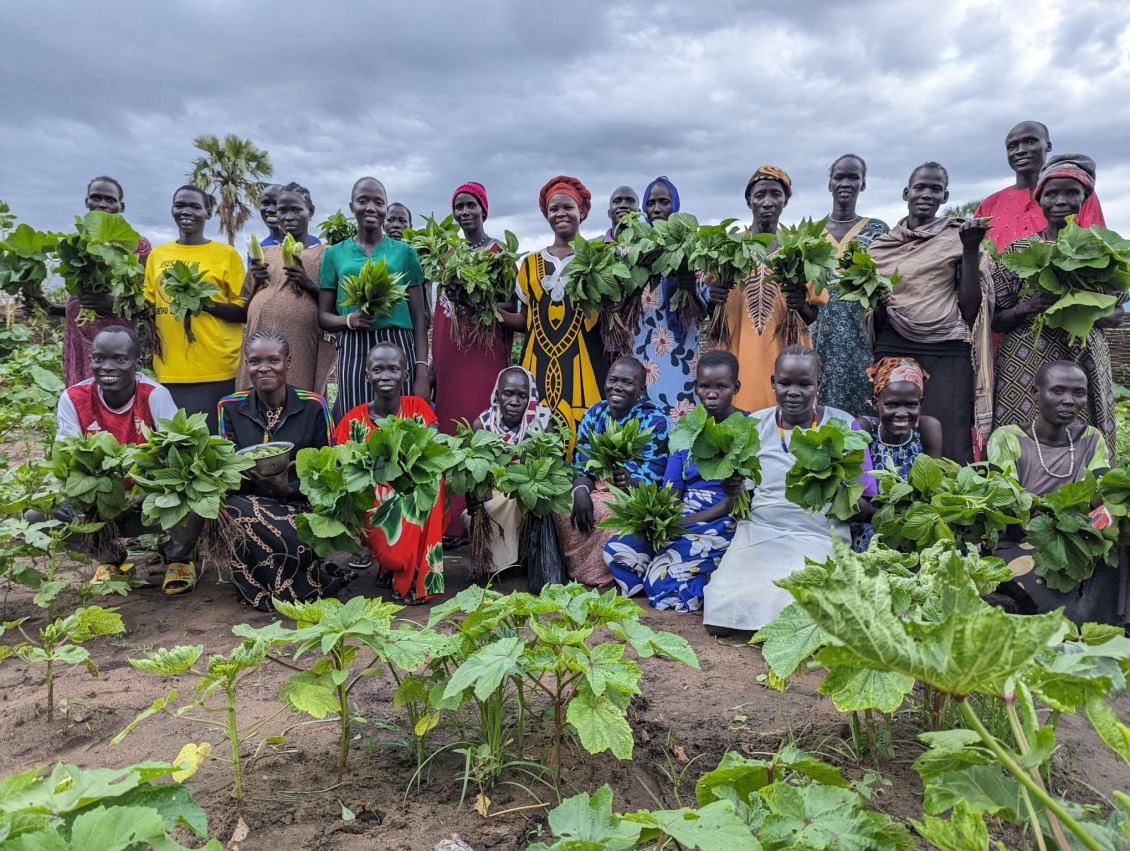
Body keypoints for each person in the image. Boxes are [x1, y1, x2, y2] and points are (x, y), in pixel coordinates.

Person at [703, 345, 878, 636]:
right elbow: (739, 499)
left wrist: (839, 487)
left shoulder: (843, 426)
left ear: (819, 384)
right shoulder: (755, 425)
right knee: (719, 620)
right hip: (760, 532)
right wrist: (732, 488)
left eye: (804, 384)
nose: (793, 392)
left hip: (818, 534)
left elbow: (865, 505)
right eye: (784, 383)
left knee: (797, 608)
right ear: (773, 383)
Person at [48, 326, 198, 593]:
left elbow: (179, 457)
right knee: (43, 514)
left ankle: (178, 556)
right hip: (99, 502)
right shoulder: (73, 398)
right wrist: (99, 496)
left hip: (149, 500)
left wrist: (144, 491)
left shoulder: (154, 395)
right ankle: (110, 557)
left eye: (119, 359)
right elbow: (67, 461)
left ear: (137, 363)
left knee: (195, 497)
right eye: (98, 358)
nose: (107, 367)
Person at [991, 159, 1121, 456]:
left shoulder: (1102, 249)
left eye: (1071, 193)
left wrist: (1084, 307)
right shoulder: (1020, 250)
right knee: (1022, 430)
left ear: (1084, 198)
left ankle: (1086, 495)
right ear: (1040, 200)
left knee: (1083, 434)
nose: (1060, 201)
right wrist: (1028, 307)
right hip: (1027, 359)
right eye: (1051, 194)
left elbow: (1116, 313)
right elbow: (997, 320)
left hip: (1084, 354)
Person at [218, 330, 355, 611]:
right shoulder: (230, 407)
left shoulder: (313, 405)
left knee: (294, 532)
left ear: (289, 363)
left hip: (302, 504)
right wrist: (256, 482)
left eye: (273, 360)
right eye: (255, 361)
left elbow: (330, 471)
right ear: (246, 365)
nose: (264, 368)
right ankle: (265, 589)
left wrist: (288, 488)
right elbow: (225, 470)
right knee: (231, 509)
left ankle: (302, 587)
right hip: (250, 503)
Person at [868, 163, 992, 464]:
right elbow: (875, 312)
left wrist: (971, 250)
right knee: (892, 430)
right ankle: (886, 500)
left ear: (945, 196)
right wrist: (881, 303)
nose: (926, 194)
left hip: (947, 347)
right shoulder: (883, 247)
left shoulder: (958, 237)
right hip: (894, 344)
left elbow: (970, 308)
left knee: (950, 434)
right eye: (920, 187)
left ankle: (948, 505)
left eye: (935, 189)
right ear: (906, 193)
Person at [988, 361, 1124, 624]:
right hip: (1021, 539)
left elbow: (1102, 493)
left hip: (1079, 536)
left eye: (1078, 393)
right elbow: (1010, 504)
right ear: (1035, 393)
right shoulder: (1008, 438)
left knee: (1119, 552)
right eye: (1058, 391)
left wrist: (1114, 500)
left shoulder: (1090, 437)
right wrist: (1074, 505)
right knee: (1066, 615)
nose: (1069, 401)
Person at [605, 350, 741, 611]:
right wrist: (659, 519)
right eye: (704, 386)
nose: (711, 394)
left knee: (662, 585)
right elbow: (673, 492)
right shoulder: (686, 430)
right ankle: (679, 569)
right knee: (618, 549)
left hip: (725, 517)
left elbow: (734, 501)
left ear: (736, 387)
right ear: (696, 387)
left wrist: (684, 523)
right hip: (685, 511)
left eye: (721, 387)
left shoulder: (749, 427)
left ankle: (702, 581)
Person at [501, 175, 607, 452]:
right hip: (537, 361)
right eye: (553, 209)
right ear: (546, 214)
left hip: (585, 361)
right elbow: (526, 321)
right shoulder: (529, 264)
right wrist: (490, 313)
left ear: (582, 212)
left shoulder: (596, 258)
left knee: (586, 434)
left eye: (568, 207)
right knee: (537, 439)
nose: (560, 213)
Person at [710, 166, 828, 412]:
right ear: (748, 200)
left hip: (785, 350)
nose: (767, 202)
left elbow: (811, 316)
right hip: (738, 346)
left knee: (787, 417)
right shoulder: (728, 248)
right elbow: (711, 307)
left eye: (775, 194)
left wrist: (800, 304)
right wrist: (714, 297)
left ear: (785, 201)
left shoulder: (799, 249)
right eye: (760, 195)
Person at [333, 343, 445, 604]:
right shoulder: (352, 421)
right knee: (392, 528)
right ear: (367, 375)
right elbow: (341, 471)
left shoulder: (419, 409)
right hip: (373, 505)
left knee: (434, 481)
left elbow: (435, 451)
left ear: (405, 375)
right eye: (378, 369)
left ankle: (416, 581)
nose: (385, 376)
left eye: (393, 369)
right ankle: (391, 565)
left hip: (415, 501)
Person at [433, 182, 515, 537]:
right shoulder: (447, 254)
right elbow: (440, 311)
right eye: (459, 207)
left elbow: (512, 308)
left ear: (484, 209)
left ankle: (486, 519)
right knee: (450, 427)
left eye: (470, 206)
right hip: (453, 352)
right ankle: (451, 524)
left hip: (484, 351)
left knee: (484, 426)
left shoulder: (500, 254)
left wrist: (480, 303)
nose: (464, 212)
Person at [319, 178, 430, 419]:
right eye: (363, 201)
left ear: (385, 209)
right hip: (353, 346)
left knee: (402, 422)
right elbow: (324, 316)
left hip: (398, 345)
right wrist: (350, 319)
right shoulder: (334, 254)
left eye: (378, 202)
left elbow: (419, 318)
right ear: (351, 207)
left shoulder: (405, 253)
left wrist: (421, 371)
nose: (371, 207)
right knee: (355, 420)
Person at [559, 358, 670, 587]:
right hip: (595, 487)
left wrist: (629, 480)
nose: (617, 387)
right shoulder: (595, 413)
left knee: (608, 512)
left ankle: (610, 577)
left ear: (641, 389)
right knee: (561, 506)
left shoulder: (654, 420)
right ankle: (578, 574)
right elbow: (583, 464)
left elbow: (656, 478)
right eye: (613, 380)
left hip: (634, 494)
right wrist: (581, 490)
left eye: (627, 383)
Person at [144, 185, 246, 434]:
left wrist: (202, 302)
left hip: (217, 366)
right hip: (170, 367)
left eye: (194, 206)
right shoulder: (158, 255)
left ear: (208, 213)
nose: (186, 211)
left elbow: (243, 311)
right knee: (176, 443)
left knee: (214, 444)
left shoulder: (226, 255)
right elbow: (148, 306)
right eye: (179, 205)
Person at [34, 177, 153, 388]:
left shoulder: (138, 245)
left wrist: (110, 303)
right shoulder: (78, 242)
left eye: (110, 199)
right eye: (96, 198)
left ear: (121, 206)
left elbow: (145, 305)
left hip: (115, 346)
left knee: (113, 403)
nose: (102, 204)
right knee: (79, 404)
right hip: (76, 342)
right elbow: (80, 301)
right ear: (86, 202)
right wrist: (46, 305)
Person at [811, 155, 889, 417]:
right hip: (816, 333)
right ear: (829, 184)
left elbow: (885, 284)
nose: (846, 183)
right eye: (839, 177)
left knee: (858, 416)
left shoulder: (877, 231)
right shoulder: (811, 232)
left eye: (853, 177)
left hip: (860, 337)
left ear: (863, 184)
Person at [239, 183, 334, 395]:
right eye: (282, 210)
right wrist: (256, 281)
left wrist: (307, 283)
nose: (288, 216)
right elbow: (245, 309)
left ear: (310, 212)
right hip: (258, 341)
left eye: (296, 210)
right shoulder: (264, 252)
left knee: (298, 403)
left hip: (301, 346)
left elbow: (334, 305)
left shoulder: (326, 253)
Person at [465, 366, 554, 578]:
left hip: (525, 494)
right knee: (476, 513)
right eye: (508, 394)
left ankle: (512, 561)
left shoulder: (541, 424)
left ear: (531, 397)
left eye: (522, 396)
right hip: (493, 494)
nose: (515, 402)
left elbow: (551, 470)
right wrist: (473, 495)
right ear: (497, 395)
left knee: (518, 498)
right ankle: (492, 563)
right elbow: (473, 474)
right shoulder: (483, 424)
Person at [852, 356, 942, 550]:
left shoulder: (928, 428)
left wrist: (913, 522)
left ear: (921, 402)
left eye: (910, 405)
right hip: (871, 521)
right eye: (892, 405)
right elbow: (853, 493)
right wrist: (888, 521)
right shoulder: (863, 428)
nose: (901, 413)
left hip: (915, 520)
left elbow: (933, 486)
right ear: (876, 403)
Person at [633, 176, 704, 419]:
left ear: (675, 205)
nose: (657, 209)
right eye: (651, 203)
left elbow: (706, 311)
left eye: (664, 201)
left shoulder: (693, 251)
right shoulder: (635, 252)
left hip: (681, 354)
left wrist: (691, 287)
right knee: (645, 420)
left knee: (681, 417)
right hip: (644, 354)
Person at [976, 122, 1106, 250]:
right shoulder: (989, 204)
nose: (1020, 150)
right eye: (1012, 146)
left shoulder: (1078, 195)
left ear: (1048, 146)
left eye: (1030, 142)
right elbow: (973, 255)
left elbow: (1098, 247)